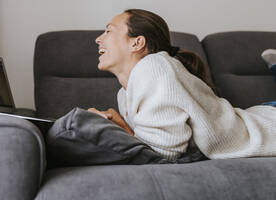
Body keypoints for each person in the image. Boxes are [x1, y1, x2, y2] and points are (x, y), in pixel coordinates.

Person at [88, 9, 276, 160]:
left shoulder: (154, 66)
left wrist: (116, 124)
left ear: (137, 43)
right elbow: (148, 144)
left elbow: (166, 152)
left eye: (108, 30)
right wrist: (111, 123)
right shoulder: (124, 93)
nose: (98, 39)